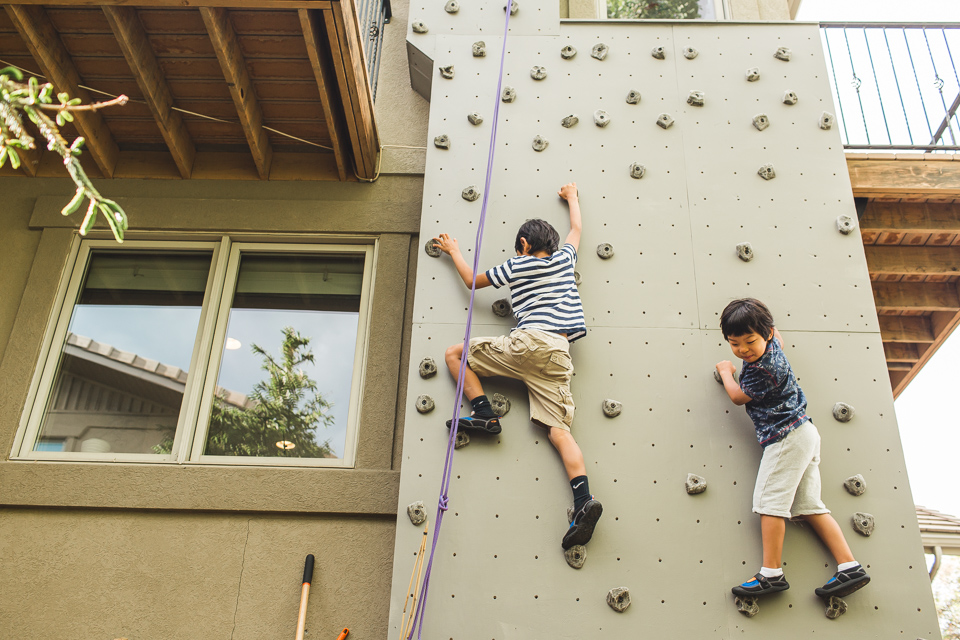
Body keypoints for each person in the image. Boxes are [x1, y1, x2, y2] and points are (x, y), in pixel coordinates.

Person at [431, 182, 601, 550]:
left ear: (523, 246)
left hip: (529, 342)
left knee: (453, 354)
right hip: (559, 354)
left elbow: (472, 282)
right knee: (559, 431)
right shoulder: (564, 258)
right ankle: (584, 500)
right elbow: (576, 230)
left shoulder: (519, 263)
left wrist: (454, 251)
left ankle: (485, 415)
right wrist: (572, 197)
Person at [715, 298, 870, 599]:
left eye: (750, 341)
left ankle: (771, 573)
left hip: (785, 437)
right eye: (734, 344)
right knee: (808, 505)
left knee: (768, 501)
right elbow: (779, 339)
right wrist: (760, 337)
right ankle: (850, 566)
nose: (743, 350)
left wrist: (725, 372)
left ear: (767, 334)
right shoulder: (773, 345)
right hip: (804, 432)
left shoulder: (764, 370)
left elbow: (737, 396)